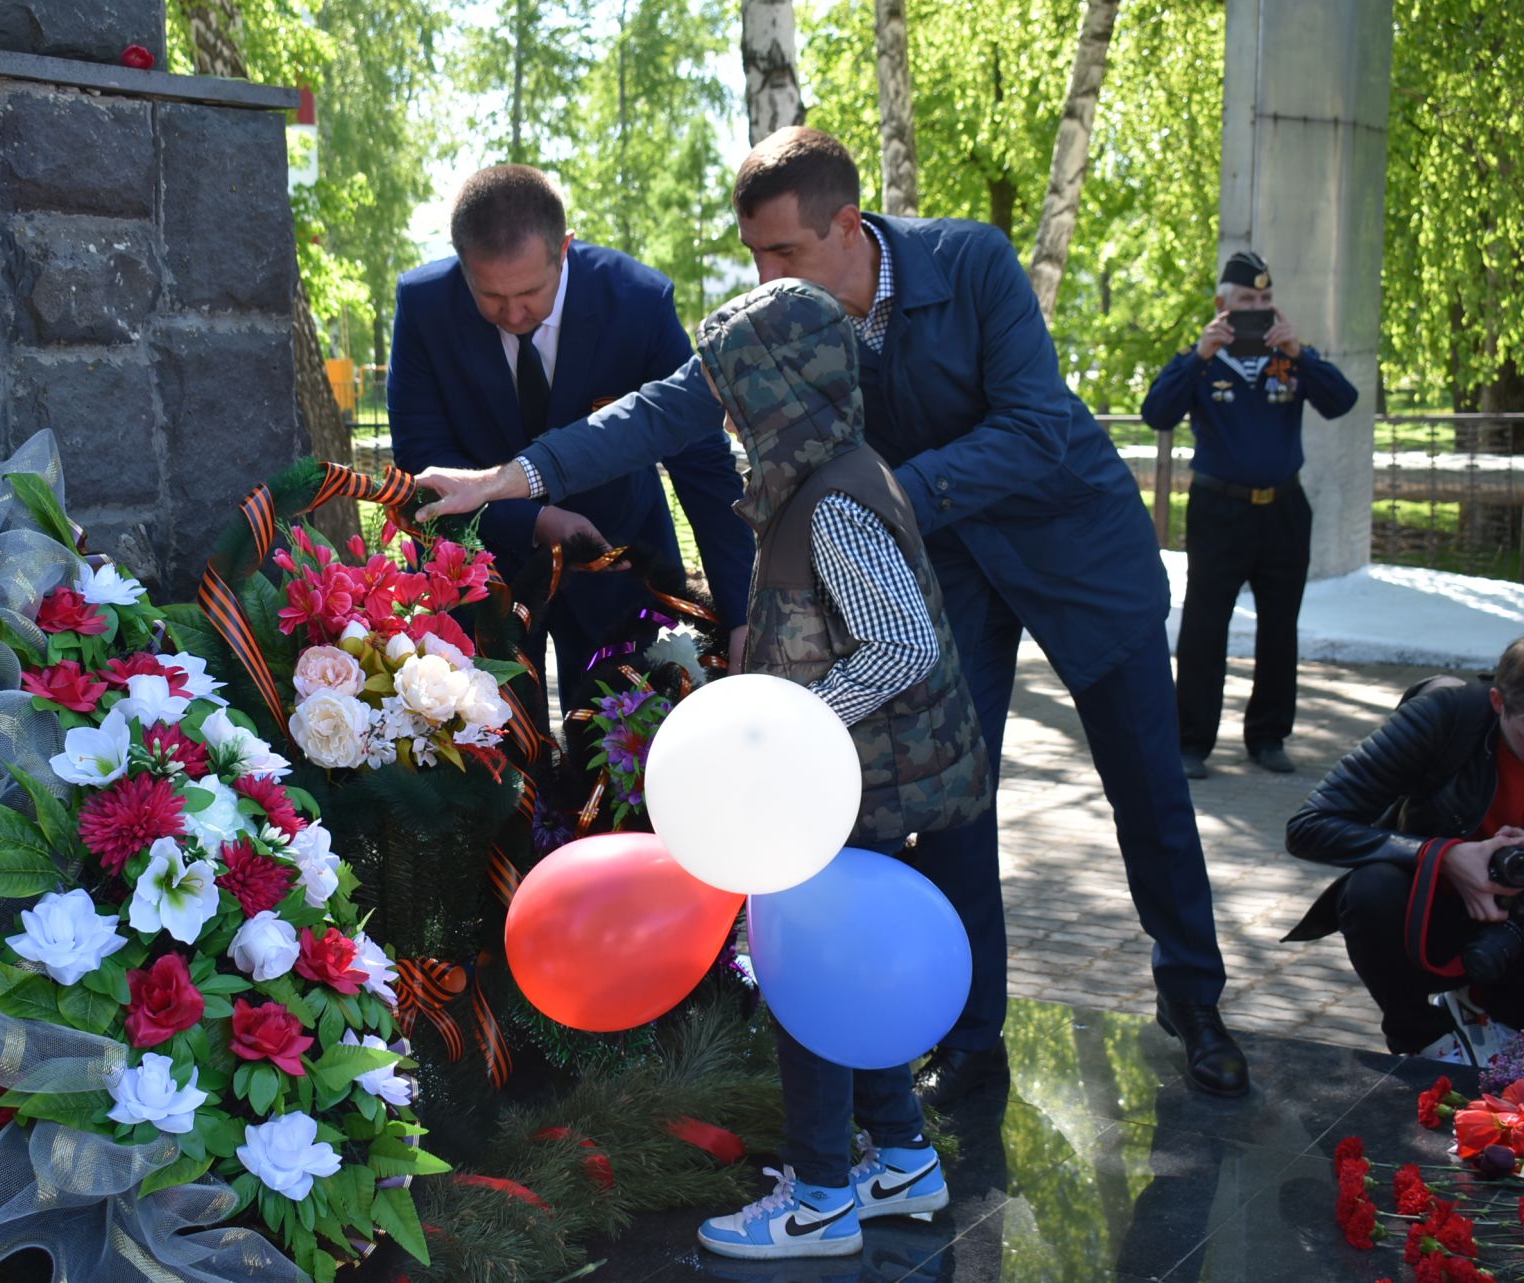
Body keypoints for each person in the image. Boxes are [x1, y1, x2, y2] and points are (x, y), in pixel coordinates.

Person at [410, 127, 1250, 1103]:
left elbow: (1033, 426)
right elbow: (661, 409)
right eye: (754, 254)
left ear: (847, 224)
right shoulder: (783, 315)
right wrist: (509, 477)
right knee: (952, 807)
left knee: (1147, 786)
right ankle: (974, 1037)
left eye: (785, 251)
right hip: (944, 577)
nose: (768, 274)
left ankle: (1194, 995)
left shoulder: (969, 261)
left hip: (1077, 556)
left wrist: (871, 499)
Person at [692, 277, 987, 1261]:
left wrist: (791, 723)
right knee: (841, 973)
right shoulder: (822, 475)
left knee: (809, 977)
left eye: (738, 392)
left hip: (850, 783)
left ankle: (820, 1191)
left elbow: (898, 646)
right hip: (846, 779)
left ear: (781, 390)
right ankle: (901, 1155)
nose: (728, 412)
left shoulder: (834, 500)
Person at [386, 164, 753, 699]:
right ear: (461, 262)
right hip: (481, 571)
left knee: (627, 752)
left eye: (531, 291)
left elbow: (701, 460)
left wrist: (742, 615)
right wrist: (535, 520)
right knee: (491, 756)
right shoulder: (423, 305)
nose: (513, 313)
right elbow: (423, 456)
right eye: (489, 296)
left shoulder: (637, 301)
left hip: (619, 561)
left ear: (565, 248)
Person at [1141, 251, 1359, 779]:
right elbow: (1156, 413)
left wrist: (1300, 352)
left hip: (1284, 510)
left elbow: (1342, 401)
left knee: (1280, 627)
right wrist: (1197, 356)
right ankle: (1191, 741)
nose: (1257, 309)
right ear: (1222, 306)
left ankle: (1268, 736)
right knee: (1204, 628)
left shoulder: (1290, 360)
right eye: (1246, 301)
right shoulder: (1202, 361)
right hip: (1220, 510)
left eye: (1265, 300)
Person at [1284, 643, 1524, 1061]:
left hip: (1514, 930)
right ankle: (1423, 1039)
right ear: (1497, 701)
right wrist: (1443, 856)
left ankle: (1493, 1013)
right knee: (1371, 889)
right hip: (1433, 917)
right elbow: (1310, 826)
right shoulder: (1447, 718)